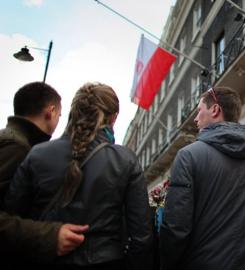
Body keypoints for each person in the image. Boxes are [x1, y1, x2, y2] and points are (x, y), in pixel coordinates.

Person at [5, 82, 153, 269]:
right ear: (114, 118)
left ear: (73, 113)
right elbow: (142, 235)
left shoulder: (36, 154)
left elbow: (11, 217)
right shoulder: (126, 160)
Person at [159, 86, 245, 270]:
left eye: (199, 110)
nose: (195, 117)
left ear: (215, 110)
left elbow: (176, 228)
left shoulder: (188, 155)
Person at [0, 82, 87, 264]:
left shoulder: (13, 139)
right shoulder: (16, 148)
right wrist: (50, 235)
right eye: (59, 115)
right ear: (51, 111)